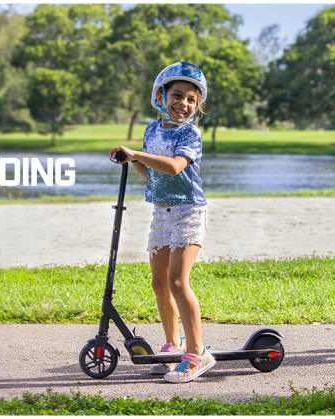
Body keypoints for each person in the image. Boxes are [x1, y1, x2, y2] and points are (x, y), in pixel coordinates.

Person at [109, 62, 214, 383]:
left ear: (197, 106)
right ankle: (172, 345)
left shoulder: (190, 133)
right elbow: (151, 173)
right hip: (161, 213)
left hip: (188, 212)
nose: (183, 104)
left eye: (191, 100)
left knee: (178, 282)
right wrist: (134, 160)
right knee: (159, 283)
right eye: (177, 95)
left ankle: (197, 353)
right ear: (161, 96)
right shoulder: (153, 130)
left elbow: (173, 167)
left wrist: (137, 153)